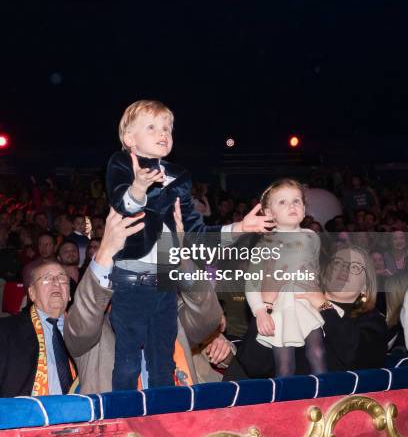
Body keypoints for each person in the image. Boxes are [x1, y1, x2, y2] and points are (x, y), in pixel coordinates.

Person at [105, 99, 273, 390]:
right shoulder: (121, 164)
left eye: (168, 128)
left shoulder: (179, 176)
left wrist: (240, 228)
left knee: (163, 359)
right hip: (132, 279)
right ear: (130, 139)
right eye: (153, 127)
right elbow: (122, 202)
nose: (163, 133)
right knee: (128, 360)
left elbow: (194, 233)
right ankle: (125, 418)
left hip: (166, 282)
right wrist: (139, 187)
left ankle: (164, 416)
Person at [64, 207, 235, 393]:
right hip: (119, 419)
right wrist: (106, 251)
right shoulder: (95, 334)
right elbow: (82, 322)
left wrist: (182, 258)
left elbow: (208, 316)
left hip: (174, 416)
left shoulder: (172, 320)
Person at [225, 244, 387, 380]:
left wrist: (323, 306)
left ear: (365, 285)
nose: (344, 269)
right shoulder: (293, 304)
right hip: (284, 405)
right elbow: (253, 365)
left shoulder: (371, 320)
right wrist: (267, 306)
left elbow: (359, 360)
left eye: (355, 267)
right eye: (337, 263)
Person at [244, 179, 327, 377]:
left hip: (306, 304)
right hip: (280, 309)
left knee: (318, 352)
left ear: (305, 209)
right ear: (269, 213)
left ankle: (326, 398)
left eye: (296, 201)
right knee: (284, 363)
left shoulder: (312, 237)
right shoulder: (264, 245)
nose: (291, 206)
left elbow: (313, 270)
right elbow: (252, 283)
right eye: (282, 202)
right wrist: (261, 312)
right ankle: (286, 406)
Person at [0, 260, 75, 397]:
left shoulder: (83, 331)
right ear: (32, 293)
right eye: (46, 278)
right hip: (26, 414)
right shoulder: (6, 332)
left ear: (69, 294)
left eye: (62, 278)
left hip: (81, 413)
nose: (56, 282)